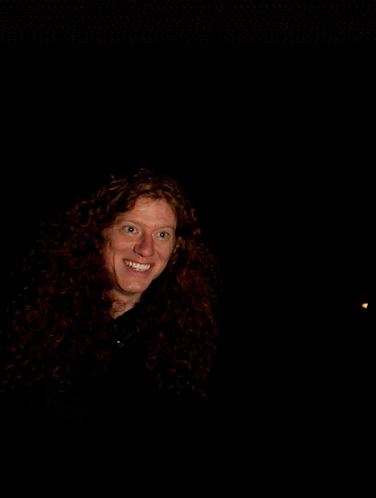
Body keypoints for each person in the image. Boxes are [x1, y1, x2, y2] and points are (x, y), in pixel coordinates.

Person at [0, 168, 221, 476]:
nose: (146, 249)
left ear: (175, 250)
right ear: (98, 233)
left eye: (162, 234)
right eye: (131, 229)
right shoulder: (31, 327)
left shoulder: (187, 347)